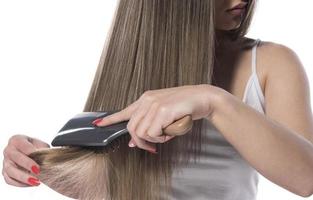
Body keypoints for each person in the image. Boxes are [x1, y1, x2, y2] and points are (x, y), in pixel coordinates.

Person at [3, 0, 313, 199]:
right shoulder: (132, 65)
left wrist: (212, 100)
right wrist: (39, 164)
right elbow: (113, 187)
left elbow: (306, 179)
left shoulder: (271, 63)